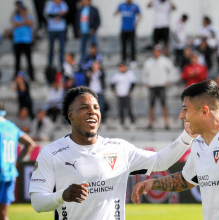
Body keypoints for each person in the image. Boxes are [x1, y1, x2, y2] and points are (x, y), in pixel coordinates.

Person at [29, 86, 193, 219]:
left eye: (96, 107)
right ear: (70, 115)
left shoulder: (119, 148)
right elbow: (37, 202)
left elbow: (159, 161)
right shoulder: (51, 153)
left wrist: (187, 135)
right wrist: (62, 195)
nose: (92, 111)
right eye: (84, 107)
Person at [131, 80, 219, 220]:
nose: (181, 116)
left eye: (185, 109)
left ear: (204, 111)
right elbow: (185, 179)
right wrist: (151, 183)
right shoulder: (198, 143)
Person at [0, 101, 35, 220]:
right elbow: (30, 143)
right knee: (4, 215)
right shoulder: (12, 127)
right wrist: (15, 162)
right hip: (9, 173)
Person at [142, 45, 175, 130]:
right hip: (152, 85)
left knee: (163, 105)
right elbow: (144, 73)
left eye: (158, 51)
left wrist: (168, 80)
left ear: (160, 52)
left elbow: (172, 70)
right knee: (151, 106)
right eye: (155, 51)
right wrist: (146, 82)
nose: (156, 52)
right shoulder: (148, 62)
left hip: (161, 85)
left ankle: (166, 123)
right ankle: (150, 123)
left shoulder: (165, 61)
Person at [115, 0, 142, 67]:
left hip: (131, 29)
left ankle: (133, 60)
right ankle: (123, 59)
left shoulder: (135, 6)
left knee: (132, 45)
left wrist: (137, 22)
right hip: (124, 29)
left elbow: (140, 15)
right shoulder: (122, 5)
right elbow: (116, 12)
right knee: (123, 45)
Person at [12, 4, 35, 81]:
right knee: (17, 60)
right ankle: (16, 75)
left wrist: (22, 22)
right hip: (18, 41)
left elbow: (30, 23)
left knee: (29, 60)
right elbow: (15, 24)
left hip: (27, 41)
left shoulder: (29, 17)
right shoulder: (16, 17)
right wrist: (24, 22)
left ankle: (31, 75)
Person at [111, 61, 136, 129]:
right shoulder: (116, 75)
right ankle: (121, 123)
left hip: (126, 94)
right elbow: (112, 84)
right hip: (120, 94)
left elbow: (133, 83)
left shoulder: (129, 74)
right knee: (120, 110)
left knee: (129, 109)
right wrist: (115, 91)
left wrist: (129, 91)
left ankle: (132, 122)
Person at [45, 0, 69, 68]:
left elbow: (66, 14)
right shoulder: (50, 3)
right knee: (51, 48)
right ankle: (50, 64)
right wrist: (59, 14)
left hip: (61, 29)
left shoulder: (63, 3)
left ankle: (62, 64)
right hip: (52, 29)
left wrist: (56, 15)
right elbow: (49, 14)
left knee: (62, 47)